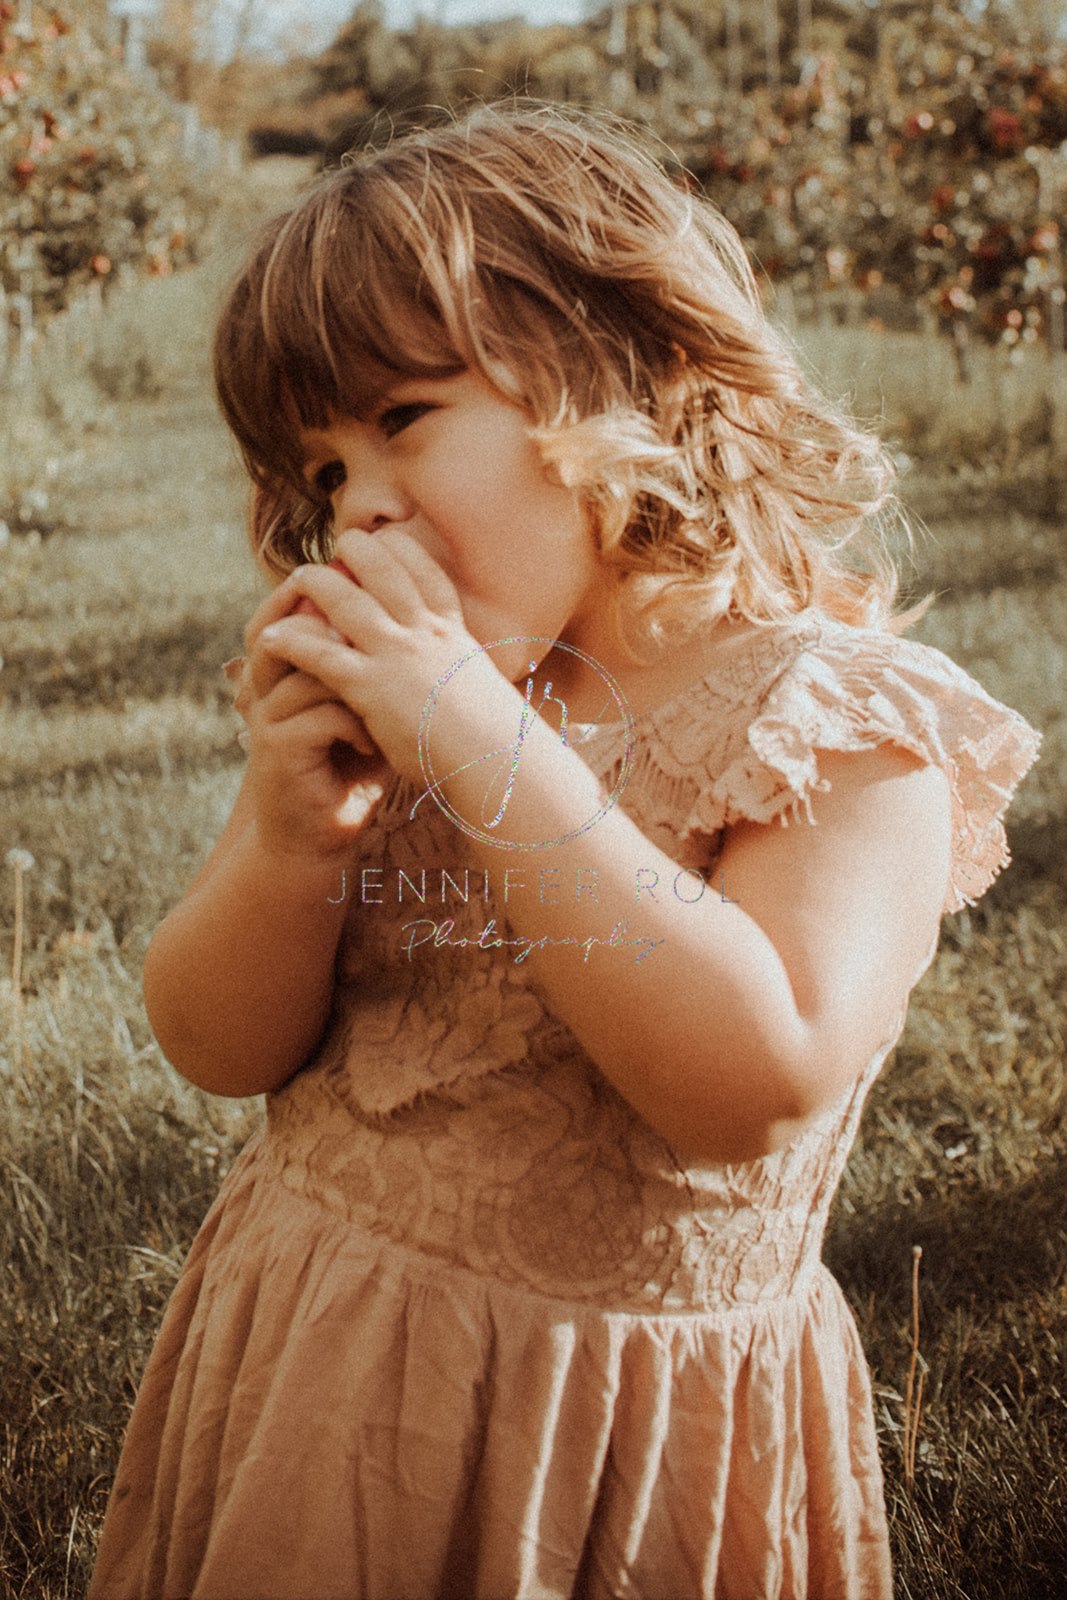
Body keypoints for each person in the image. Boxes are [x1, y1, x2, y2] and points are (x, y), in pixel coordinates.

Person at [90, 103, 1040, 1600]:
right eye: (322, 473)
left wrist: (479, 742)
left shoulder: (839, 727)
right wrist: (289, 842)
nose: (359, 511)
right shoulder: (415, 709)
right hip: (319, 1352)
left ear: (634, 373)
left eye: (402, 420)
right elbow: (218, 1043)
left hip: (609, 1432)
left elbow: (757, 1077)